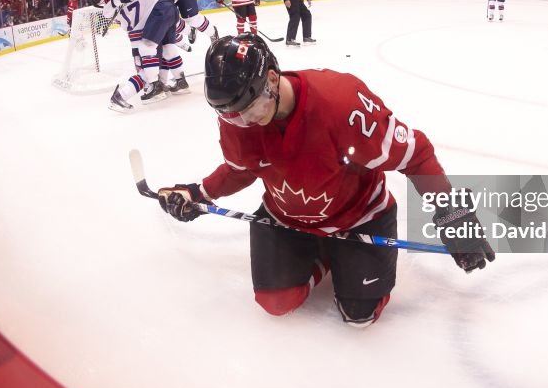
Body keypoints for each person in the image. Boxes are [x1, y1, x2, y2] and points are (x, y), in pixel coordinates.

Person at [155, 35, 495, 327]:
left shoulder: (340, 104)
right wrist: (197, 192)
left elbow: (414, 153)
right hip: (286, 218)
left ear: (271, 79)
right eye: (229, 114)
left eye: (247, 108)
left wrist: (451, 214)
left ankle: (341, 248)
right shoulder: (238, 116)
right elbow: (242, 168)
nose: (242, 122)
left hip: (358, 216)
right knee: (276, 302)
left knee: (360, 316)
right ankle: (325, 251)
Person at [103, 0, 187, 111]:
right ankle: (133, 92)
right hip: (140, 33)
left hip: (147, 30)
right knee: (146, 69)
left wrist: (116, 0)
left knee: (157, 59)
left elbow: (106, 11)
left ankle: (155, 86)